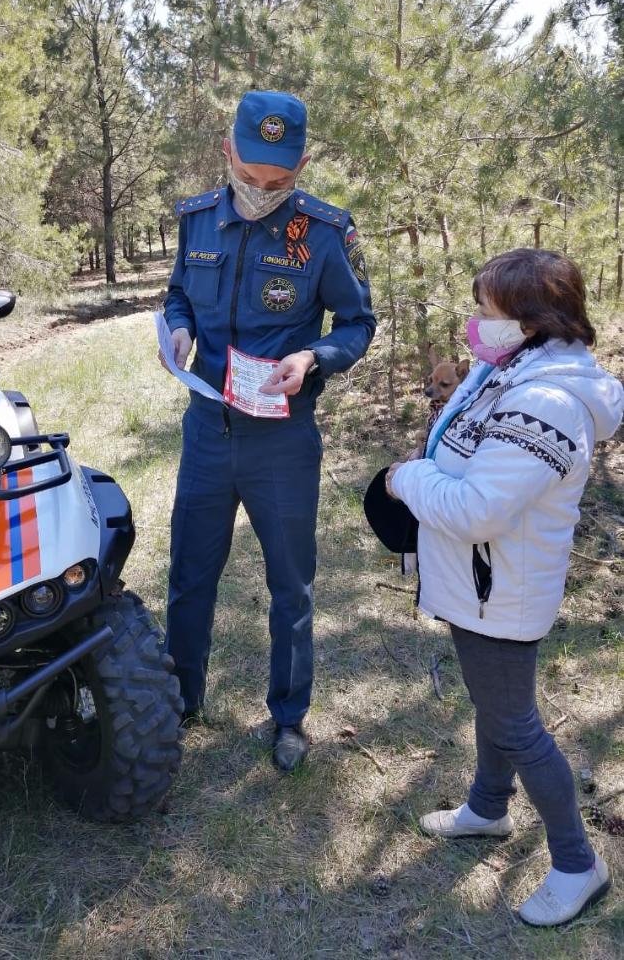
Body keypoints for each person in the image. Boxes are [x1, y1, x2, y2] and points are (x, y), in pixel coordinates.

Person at [386, 248, 623, 927]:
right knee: (495, 704)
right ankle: (488, 809)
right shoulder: (511, 367)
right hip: (485, 579)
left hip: (502, 589)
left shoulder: (546, 402)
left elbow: (477, 508)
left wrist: (405, 480)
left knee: (516, 723)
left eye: (486, 312)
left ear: (532, 320)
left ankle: (579, 864)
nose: (475, 323)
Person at [162, 90, 376, 771]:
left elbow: (357, 322)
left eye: (278, 181)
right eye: (250, 176)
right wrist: (177, 327)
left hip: (282, 440)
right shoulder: (197, 221)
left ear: (302, 164)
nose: (261, 191)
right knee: (191, 573)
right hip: (207, 430)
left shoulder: (323, 231)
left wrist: (314, 356)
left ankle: (288, 717)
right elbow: (175, 293)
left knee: (292, 582)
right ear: (227, 151)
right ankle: (180, 700)